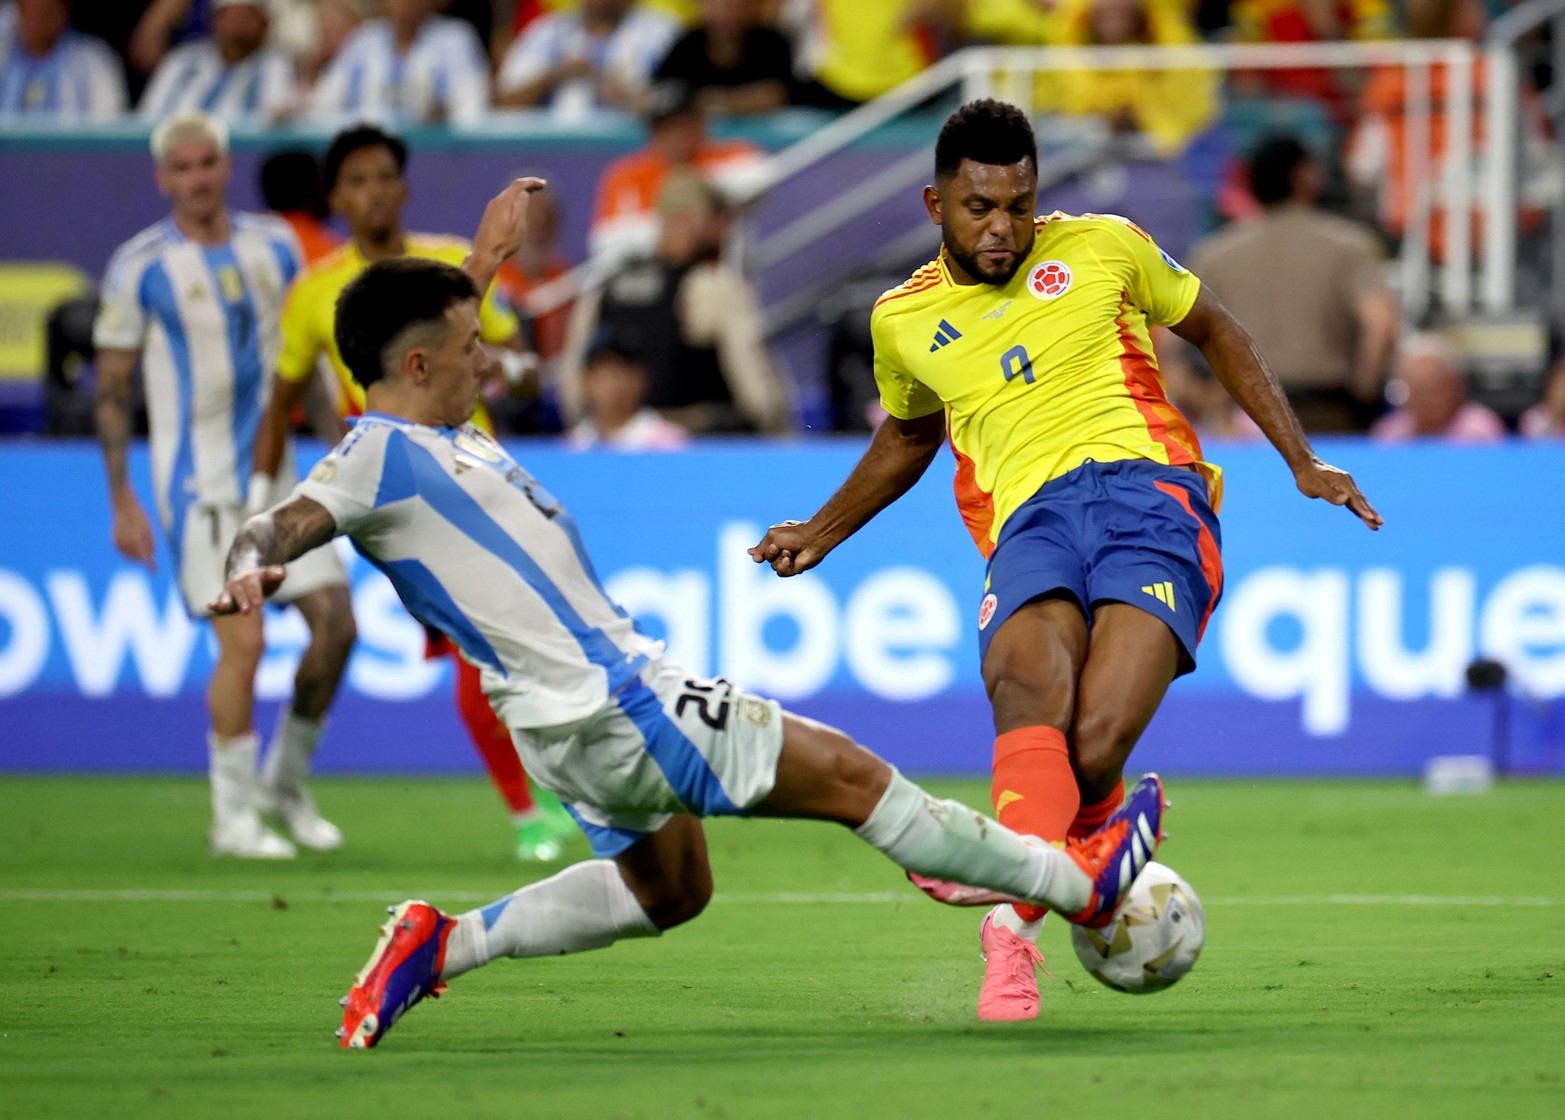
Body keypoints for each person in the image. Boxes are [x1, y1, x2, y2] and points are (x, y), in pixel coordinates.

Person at [207, 183, 1169, 1048]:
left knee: (673, 892)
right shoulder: (372, 457)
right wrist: (251, 564)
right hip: (615, 703)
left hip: (560, 727)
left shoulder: (431, 427)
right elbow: (286, 521)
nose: (488, 367)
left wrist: (486, 264)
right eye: (471, 353)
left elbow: (418, 358)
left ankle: (440, 944)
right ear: (419, 364)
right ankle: (1070, 886)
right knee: (850, 775)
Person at [749, 99, 1381, 1022]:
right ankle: (1014, 932)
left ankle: (1016, 861)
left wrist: (1299, 459)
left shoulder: (1104, 245)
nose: (1002, 226)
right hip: (1030, 526)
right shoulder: (900, 321)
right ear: (935, 204)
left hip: (1151, 500)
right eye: (978, 208)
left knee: (1091, 746)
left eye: (1018, 203)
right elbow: (908, 437)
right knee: (1023, 688)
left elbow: (1216, 331)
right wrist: (820, 527)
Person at [252, 123, 572, 861]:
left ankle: (548, 799)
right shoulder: (312, 294)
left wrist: (515, 371)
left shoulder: (442, 263)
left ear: (402, 186)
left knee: (519, 643)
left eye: (382, 177)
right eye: (355, 180)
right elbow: (283, 402)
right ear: (335, 196)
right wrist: (266, 508)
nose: (371, 193)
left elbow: (509, 354)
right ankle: (531, 815)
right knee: (475, 648)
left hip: (484, 474)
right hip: (397, 495)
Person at [93, 112, 356, 860]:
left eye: (208, 163)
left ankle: (285, 785)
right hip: (199, 485)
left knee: (337, 630)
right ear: (163, 178)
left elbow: (296, 361)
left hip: (281, 478)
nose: (198, 178)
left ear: (224, 163)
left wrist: (340, 451)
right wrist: (123, 501)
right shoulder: (138, 265)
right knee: (245, 640)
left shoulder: (273, 243)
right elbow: (111, 390)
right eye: (183, 168)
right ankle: (232, 817)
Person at [1190, 135, 1399, 434]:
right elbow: (1381, 324)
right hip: (1326, 413)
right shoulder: (1348, 246)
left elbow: (1170, 344)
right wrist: (1363, 394)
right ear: (1305, 176)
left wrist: (1203, 400)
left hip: (1244, 420)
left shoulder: (1214, 254)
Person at [565, 171, 790, 434]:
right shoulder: (710, 286)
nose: (725, 232)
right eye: (717, 220)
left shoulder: (607, 285)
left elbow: (572, 385)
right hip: (696, 446)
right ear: (688, 221)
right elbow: (758, 391)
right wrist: (779, 440)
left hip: (617, 445)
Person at [308, 0, 489, 125]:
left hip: (437, 155)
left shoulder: (456, 39)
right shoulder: (362, 42)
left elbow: (474, 108)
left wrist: (447, 115)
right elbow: (323, 104)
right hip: (371, 151)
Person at [493, 0, 678, 118]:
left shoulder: (661, 34)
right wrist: (554, 75)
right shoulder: (546, 33)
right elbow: (504, 103)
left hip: (633, 151)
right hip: (553, 152)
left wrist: (623, 96)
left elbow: (680, 108)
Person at [137, 0, 297, 124]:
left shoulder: (276, 67)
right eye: (231, 16)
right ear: (215, 20)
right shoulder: (182, 61)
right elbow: (149, 115)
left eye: (247, 17)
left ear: (263, 24)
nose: (238, 26)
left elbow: (275, 117)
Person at [652, 0, 794, 116]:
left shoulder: (771, 43)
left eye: (737, 6)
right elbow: (664, 91)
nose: (730, 15)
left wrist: (721, 101)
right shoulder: (688, 44)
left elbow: (778, 94)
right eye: (721, 6)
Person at [0, 0, 127, 120]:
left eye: (45, 12)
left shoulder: (95, 61)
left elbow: (108, 130)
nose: (36, 19)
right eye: (28, 9)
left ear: (63, 11)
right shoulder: (4, 51)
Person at [1370, 333, 1506, 442]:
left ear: (1455, 386)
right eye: (1414, 389)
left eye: (1431, 387)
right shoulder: (1389, 434)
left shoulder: (1480, 431)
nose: (1423, 399)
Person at [566, 338, 692, 450]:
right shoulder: (571, 445)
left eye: (620, 375)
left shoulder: (673, 444)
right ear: (585, 380)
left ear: (641, 380)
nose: (613, 386)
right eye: (604, 376)